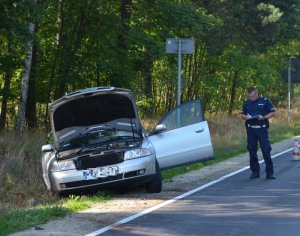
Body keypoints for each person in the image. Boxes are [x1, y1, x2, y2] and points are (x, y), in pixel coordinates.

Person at [241, 87, 276, 179]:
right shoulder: (246, 102)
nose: (250, 98)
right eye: (249, 96)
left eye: (252, 96)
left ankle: (270, 173)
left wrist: (264, 117)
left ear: (257, 94)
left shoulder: (264, 100)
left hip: (262, 129)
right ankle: (255, 172)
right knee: (252, 151)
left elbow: (272, 112)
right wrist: (246, 117)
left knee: (266, 150)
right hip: (251, 130)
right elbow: (242, 114)